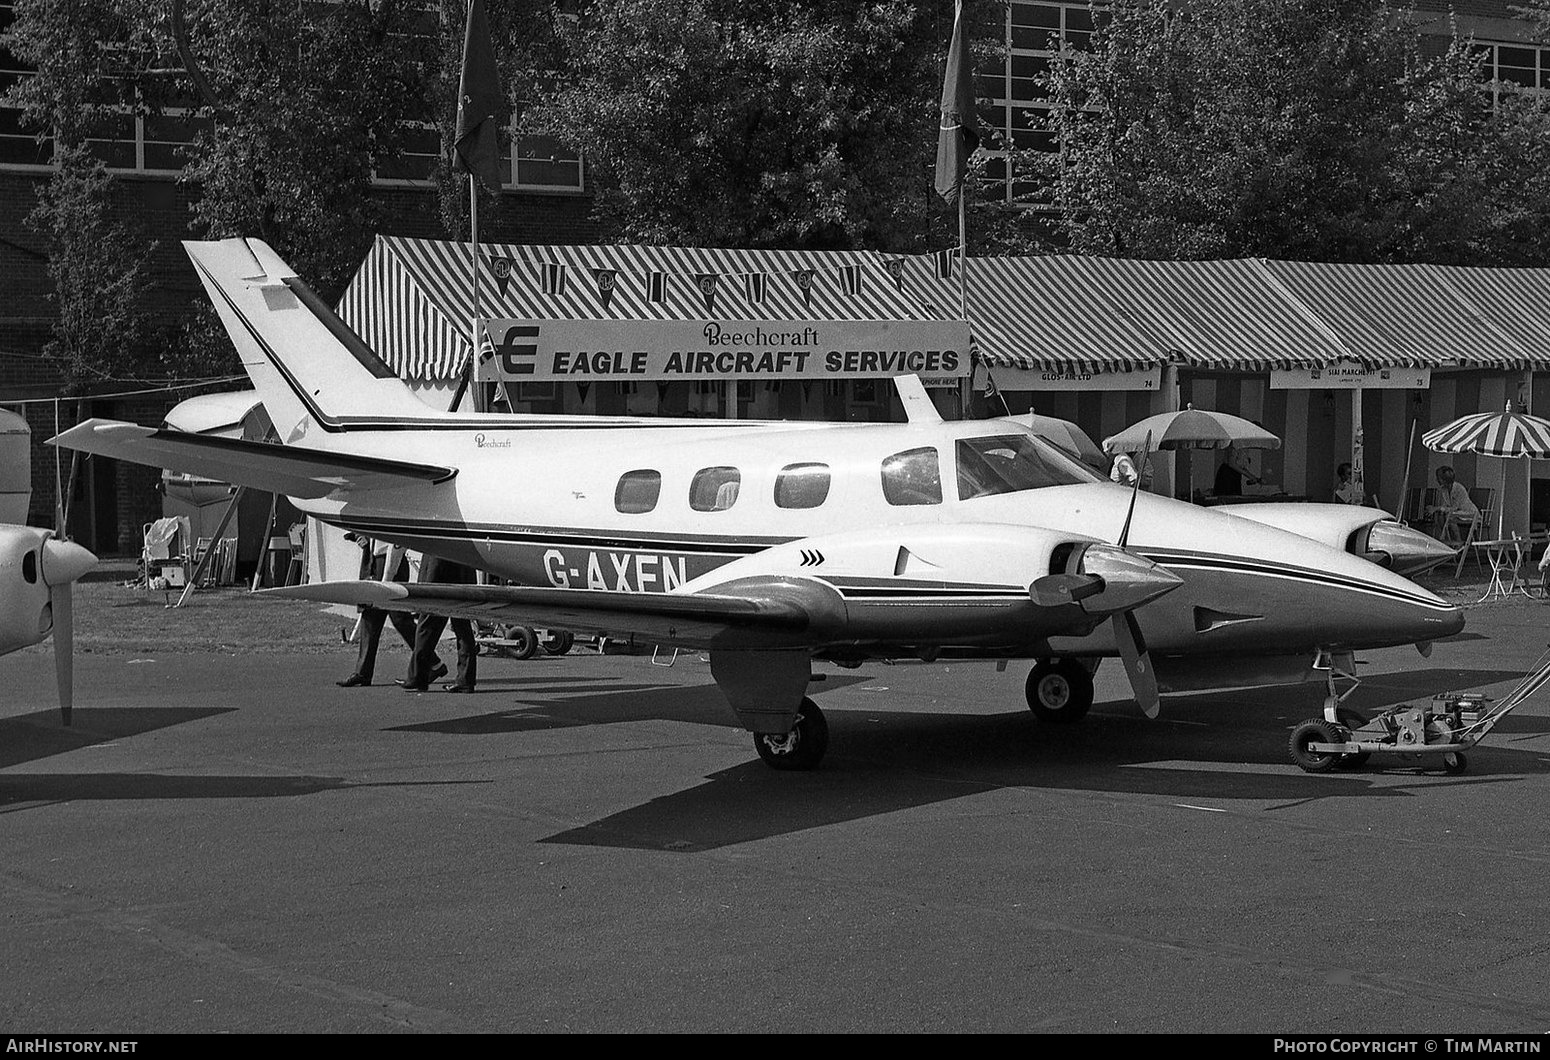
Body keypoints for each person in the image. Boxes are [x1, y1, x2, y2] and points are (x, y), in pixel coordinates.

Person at [336, 536, 438, 688]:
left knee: (400, 619)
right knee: (370, 616)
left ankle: (432, 663)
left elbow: (396, 543)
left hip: (390, 561)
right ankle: (362, 672)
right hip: (375, 559)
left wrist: (387, 578)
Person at [399, 555, 478, 693]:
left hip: (441, 566)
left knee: (427, 624)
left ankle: (418, 676)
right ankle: (465, 679)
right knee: (462, 626)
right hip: (462, 566)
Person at [1427, 465, 1480, 540]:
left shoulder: (1459, 488)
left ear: (1444, 480)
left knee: (1451, 516)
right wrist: (1435, 509)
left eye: (1438, 478)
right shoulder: (1443, 489)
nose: (1437, 480)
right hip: (1458, 513)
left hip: (1469, 513)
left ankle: (1458, 541)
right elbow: (1446, 505)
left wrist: (1437, 508)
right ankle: (1446, 539)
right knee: (1441, 515)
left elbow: (1454, 508)